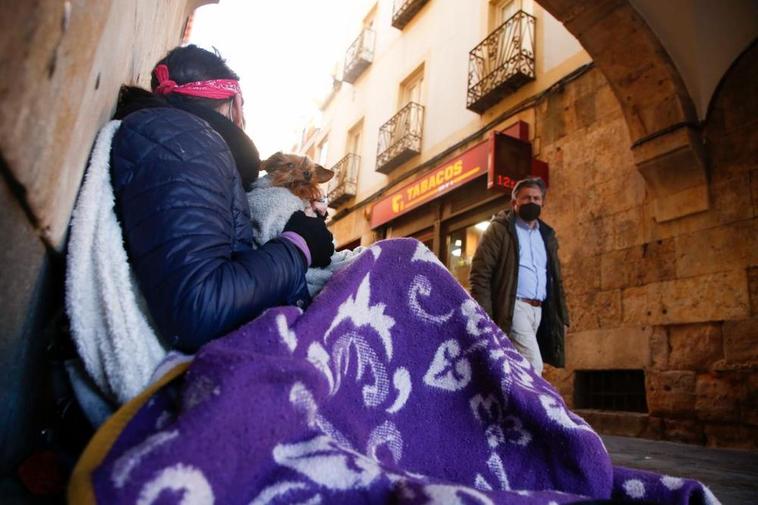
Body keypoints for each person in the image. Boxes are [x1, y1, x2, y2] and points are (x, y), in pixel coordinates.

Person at [110, 45, 334, 353]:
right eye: (243, 108)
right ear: (234, 106)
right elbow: (197, 306)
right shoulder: (188, 145)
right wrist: (298, 246)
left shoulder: (179, 141)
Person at [469, 177, 569, 375]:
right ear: (514, 202)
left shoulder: (546, 236)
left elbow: (555, 279)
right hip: (513, 306)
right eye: (526, 198)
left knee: (516, 364)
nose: (532, 202)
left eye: (536, 198)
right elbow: (480, 274)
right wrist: (486, 316)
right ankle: (531, 406)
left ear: (542, 202)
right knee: (534, 365)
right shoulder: (500, 230)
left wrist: (562, 316)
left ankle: (510, 403)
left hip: (539, 310)